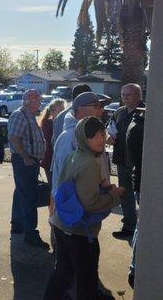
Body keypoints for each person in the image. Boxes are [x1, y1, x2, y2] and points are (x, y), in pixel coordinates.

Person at [43, 117, 124, 300]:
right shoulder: (90, 162)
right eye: (93, 136)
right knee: (86, 279)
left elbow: (69, 186)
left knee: (63, 272)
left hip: (61, 222)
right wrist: (114, 195)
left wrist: (101, 187)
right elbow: (90, 203)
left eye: (102, 134)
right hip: (79, 230)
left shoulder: (75, 155)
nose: (100, 139)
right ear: (82, 137)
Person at [8, 89, 48, 249]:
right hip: (25, 162)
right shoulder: (20, 115)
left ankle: (17, 225)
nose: (40, 103)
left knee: (21, 193)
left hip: (29, 161)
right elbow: (14, 137)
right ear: (29, 101)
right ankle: (31, 233)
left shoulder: (29, 115)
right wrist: (25, 157)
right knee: (29, 196)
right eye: (38, 100)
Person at [52, 92, 111, 195]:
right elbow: (65, 177)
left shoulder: (89, 133)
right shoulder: (69, 137)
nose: (101, 110)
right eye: (96, 106)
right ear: (80, 108)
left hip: (92, 200)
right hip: (77, 205)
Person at [107, 83, 145, 240]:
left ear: (138, 96)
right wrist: (109, 136)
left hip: (139, 164)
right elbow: (109, 128)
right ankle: (129, 226)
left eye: (128, 94)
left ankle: (145, 229)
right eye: (123, 94)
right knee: (125, 196)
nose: (124, 97)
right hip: (122, 161)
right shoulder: (119, 112)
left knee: (141, 197)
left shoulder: (146, 112)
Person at [126, 106, 145, 289]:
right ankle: (135, 269)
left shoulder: (137, 122)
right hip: (142, 183)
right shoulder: (140, 128)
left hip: (139, 180)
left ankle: (135, 267)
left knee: (141, 225)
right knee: (142, 226)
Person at [40, 99, 66, 184]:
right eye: (60, 111)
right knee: (53, 187)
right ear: (51, 112)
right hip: (50, 161)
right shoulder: (47, 124)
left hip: (57, 160)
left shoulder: (62, 123)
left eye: (64, 110)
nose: (62, 114)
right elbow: (52, 143)